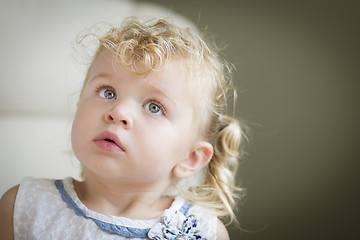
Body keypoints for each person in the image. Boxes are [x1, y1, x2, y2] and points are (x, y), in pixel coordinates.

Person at [0, 17, 245, 239]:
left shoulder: (203, 232)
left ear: (190, 158)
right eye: (108, 92)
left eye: (154, 107)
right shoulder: (23, 206)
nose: (118, 112)